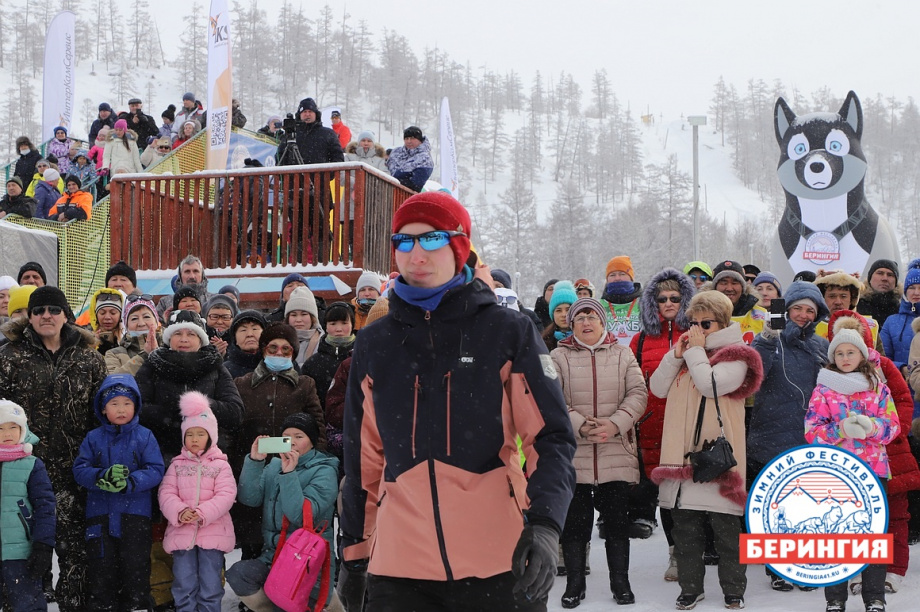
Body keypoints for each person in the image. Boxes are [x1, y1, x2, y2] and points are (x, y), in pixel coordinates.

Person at [340, 191, 576, 609]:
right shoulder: (376, 342)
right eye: (404, 241)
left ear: (459, 245)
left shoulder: (508, 331)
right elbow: (364, 458)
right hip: (400, 568)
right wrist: (356, 554)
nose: (416, 254)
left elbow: (551, 437)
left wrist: (544, 524)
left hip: (498, 559)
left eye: (431, 239)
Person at [649, 290, 763, 611]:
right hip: (681, 457)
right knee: (685, 532)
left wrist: (695, 351)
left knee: (726, 532)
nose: (697, 328)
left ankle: (733, 590)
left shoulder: (739, 355)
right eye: (693, 322)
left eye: (706, 323)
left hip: (717, 460)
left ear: (723, 322)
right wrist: (676, 355)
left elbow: (709, 383)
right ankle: (690, 588)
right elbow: (656, 388)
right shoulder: (688, 352)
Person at [0, 286, 107, 612]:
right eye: (39, 310)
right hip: (20, 479)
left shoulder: (90, 359)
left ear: (66, 315)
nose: (46, 315)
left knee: (77, 564)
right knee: (24, 566)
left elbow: (102, 417)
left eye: (54, 309)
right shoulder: (8, 356)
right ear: (30, 316)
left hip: (75, 479)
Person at [135, 309, 243, 609]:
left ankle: (208, 599)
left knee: (207, 543)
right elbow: (137, 407)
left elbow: (235, 411)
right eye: (178, 334)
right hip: (160, 462)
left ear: (201, 339)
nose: (184, 339)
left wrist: (198, 411)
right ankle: (165, 597)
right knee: (166, 535)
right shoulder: (152, 366)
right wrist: (172, 412)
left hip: (206, 465)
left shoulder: (216, 368)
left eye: (191, 334)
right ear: (169, 338)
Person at [551, 297, 647, 607]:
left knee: (617, 523)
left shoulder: (622, 354)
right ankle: (575, 584)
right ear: (572, 324)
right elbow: (550, 397)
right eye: (579, 318)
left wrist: (615, 424)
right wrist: (579, 425)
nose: (586, 322)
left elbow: (638, 393)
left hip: (614, 450)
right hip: (574, 455)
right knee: (575, 524)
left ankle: (620, 583)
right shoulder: (558, 356)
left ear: (603, 322)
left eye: (592, 316)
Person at [805, 323, 899, 612]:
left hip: (873, 470)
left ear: (862, 355)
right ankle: (835, 597)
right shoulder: (823, 390)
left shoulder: (878, 388)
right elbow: (811, 431)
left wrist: (872, 427)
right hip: (837, 472)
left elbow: (893, 426)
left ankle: (874, 597)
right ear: (834, 357)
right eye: (840, 353)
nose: (846, 358)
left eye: (852, 352)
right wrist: (840, 429)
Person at [748, 281, 829, 591]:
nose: (803, 315)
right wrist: (769, 337)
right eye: (797, 308)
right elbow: (756, 375)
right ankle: (778, 568)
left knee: (810, 507)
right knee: (776, 505)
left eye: (811, 310)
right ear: (787, 309)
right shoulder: (768, 340)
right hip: (771, 434)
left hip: (811, 437)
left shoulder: (821, 346)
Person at [232, 322, 326, 562]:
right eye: (273, 348)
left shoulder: (305, 385)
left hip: (292, 472)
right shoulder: (242, 384)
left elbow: (318, 429)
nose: (279, 353)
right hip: (253, 470)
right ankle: (253, 591)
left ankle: (285, 588)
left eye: (286, 349)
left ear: (293, 353)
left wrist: (314, 466)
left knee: (287, 533)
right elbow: (233, 429)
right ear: (263, 350)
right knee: (253, 537)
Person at [227, 414, 341, 611]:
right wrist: (255, 461)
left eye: (299, 436)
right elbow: (249, 498)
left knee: (290, 601)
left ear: (312, 442)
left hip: (307, 561)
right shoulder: (274, 464)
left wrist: (289, 474)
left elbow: (299, 515)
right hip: (273, 556)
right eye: (287, 436)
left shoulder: (324, 470)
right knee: (240, 574)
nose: (292, 442)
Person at [72, 374, 165, 612]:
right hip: (100, 517)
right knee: (102, 571)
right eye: (114, 403)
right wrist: (101, 477)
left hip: (135, 516)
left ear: (136, 406)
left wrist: (130, 482)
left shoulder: (145, 436)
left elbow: (155, 469)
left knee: (136, 569)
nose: (121, 409)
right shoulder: (93, 438)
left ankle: (137, 606)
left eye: (127, 403)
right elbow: (80, 469)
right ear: (103, 409)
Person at [628, 267, 695, 578]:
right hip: (655, 426)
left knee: (694, 493)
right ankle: (676, 556)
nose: (668, 303)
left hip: (691, 424)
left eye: (675, 298)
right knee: (668, 496)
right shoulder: (640, 341)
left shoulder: (697, 335)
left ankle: (698, 551)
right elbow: (631, 383)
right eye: (661, 298)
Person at [158, 391, 237, 612]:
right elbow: (166, 493)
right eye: (189, 434)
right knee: (184, 582)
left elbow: (226, 494)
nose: (194, 439)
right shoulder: (177, 464)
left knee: (210, 584)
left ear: (211, 436)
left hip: (213, 534)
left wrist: (202, 512)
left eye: (200, 434)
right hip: (182, 534)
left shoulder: (220, 465)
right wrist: (180, 511)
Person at [0, 400, 56, 612]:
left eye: (13, 427)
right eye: (0, 428)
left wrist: (43, 544)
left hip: (21, 553)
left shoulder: (31, 464)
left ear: (23, 429)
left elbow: (45, 507)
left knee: (28, 605)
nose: (7, 433)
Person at [302, 302, 355, 410]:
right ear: (325, 326)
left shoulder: (362, 358)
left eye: (344, 323)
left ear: (352, 325)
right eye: (333, 323)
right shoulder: (313, 363)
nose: (338, 329)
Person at [880, 258, 920, 378]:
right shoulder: (892, 321)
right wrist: (901, 368)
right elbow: (881, 358)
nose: (916, 292)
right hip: (901, 388)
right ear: (905, 291)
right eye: (911, 288)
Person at [104, 294, 162, 376]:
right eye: (134, 319)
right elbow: (113, 380)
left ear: (156, 321)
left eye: (146, 317)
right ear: (126, 326)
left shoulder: (171, 348)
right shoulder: (114, 354)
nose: (141, 323)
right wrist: (144, 356)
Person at [711, 260, 766, 345]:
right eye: (723, 283)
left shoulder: (761, 315)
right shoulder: (702, 315)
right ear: (715, 287)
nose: (729, 288)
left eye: (734, 283)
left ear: (743, 287)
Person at [276, 97, 344, 166]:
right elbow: (279, 159)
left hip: (321, 175)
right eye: (304, 112)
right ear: (299, 115)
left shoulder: (328, 134)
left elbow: (338, 159)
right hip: (295, 176)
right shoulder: (291, 136)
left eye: (310, 111)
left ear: (316, 114)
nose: (307, 114)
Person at [600, 255, 643, 345]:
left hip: (637, 357)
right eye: (612, 275)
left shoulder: (644, 304)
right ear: (607, 279)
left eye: (622, 274)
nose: (617, 278)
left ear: (631, 278)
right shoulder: (600, 306)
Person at [385, 126, 433, 193]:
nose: (409, 141)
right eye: (406, 138)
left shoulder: (425, 159)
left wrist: (395, 181)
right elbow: (384, 169)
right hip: (385, 191)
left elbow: (416, 185)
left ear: (420, 140)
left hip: (404, 195)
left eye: (412, 138)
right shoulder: (396, 152)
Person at [285, 286, 325, 367]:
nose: (298, 320)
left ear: (312, 318)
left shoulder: (323, 342)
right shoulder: (280, 340)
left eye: (304, 314)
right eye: (293, 315)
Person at [858, 259, 902, 329]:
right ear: (870, 278)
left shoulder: (902, 310)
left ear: (895, 282)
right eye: (880, 273)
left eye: (890, 275)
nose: (885, 278)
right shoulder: (856, 306)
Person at [224, 310, 267, 379]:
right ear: (235, 339)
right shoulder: (226, 370)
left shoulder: (273, 366)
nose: (249, 334)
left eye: (255, 329)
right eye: (243, 330)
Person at [87, 288, 125, 354]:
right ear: (95, 315)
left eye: (113, 313)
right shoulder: (85, 336)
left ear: (121, 315)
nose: (107, 317)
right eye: (102, 313)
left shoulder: (127, 337)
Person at [542, 280, 577, 352]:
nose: (564, 315)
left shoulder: (586, 338)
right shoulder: (544, 342)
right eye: (558, 310)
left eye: (568, 309)